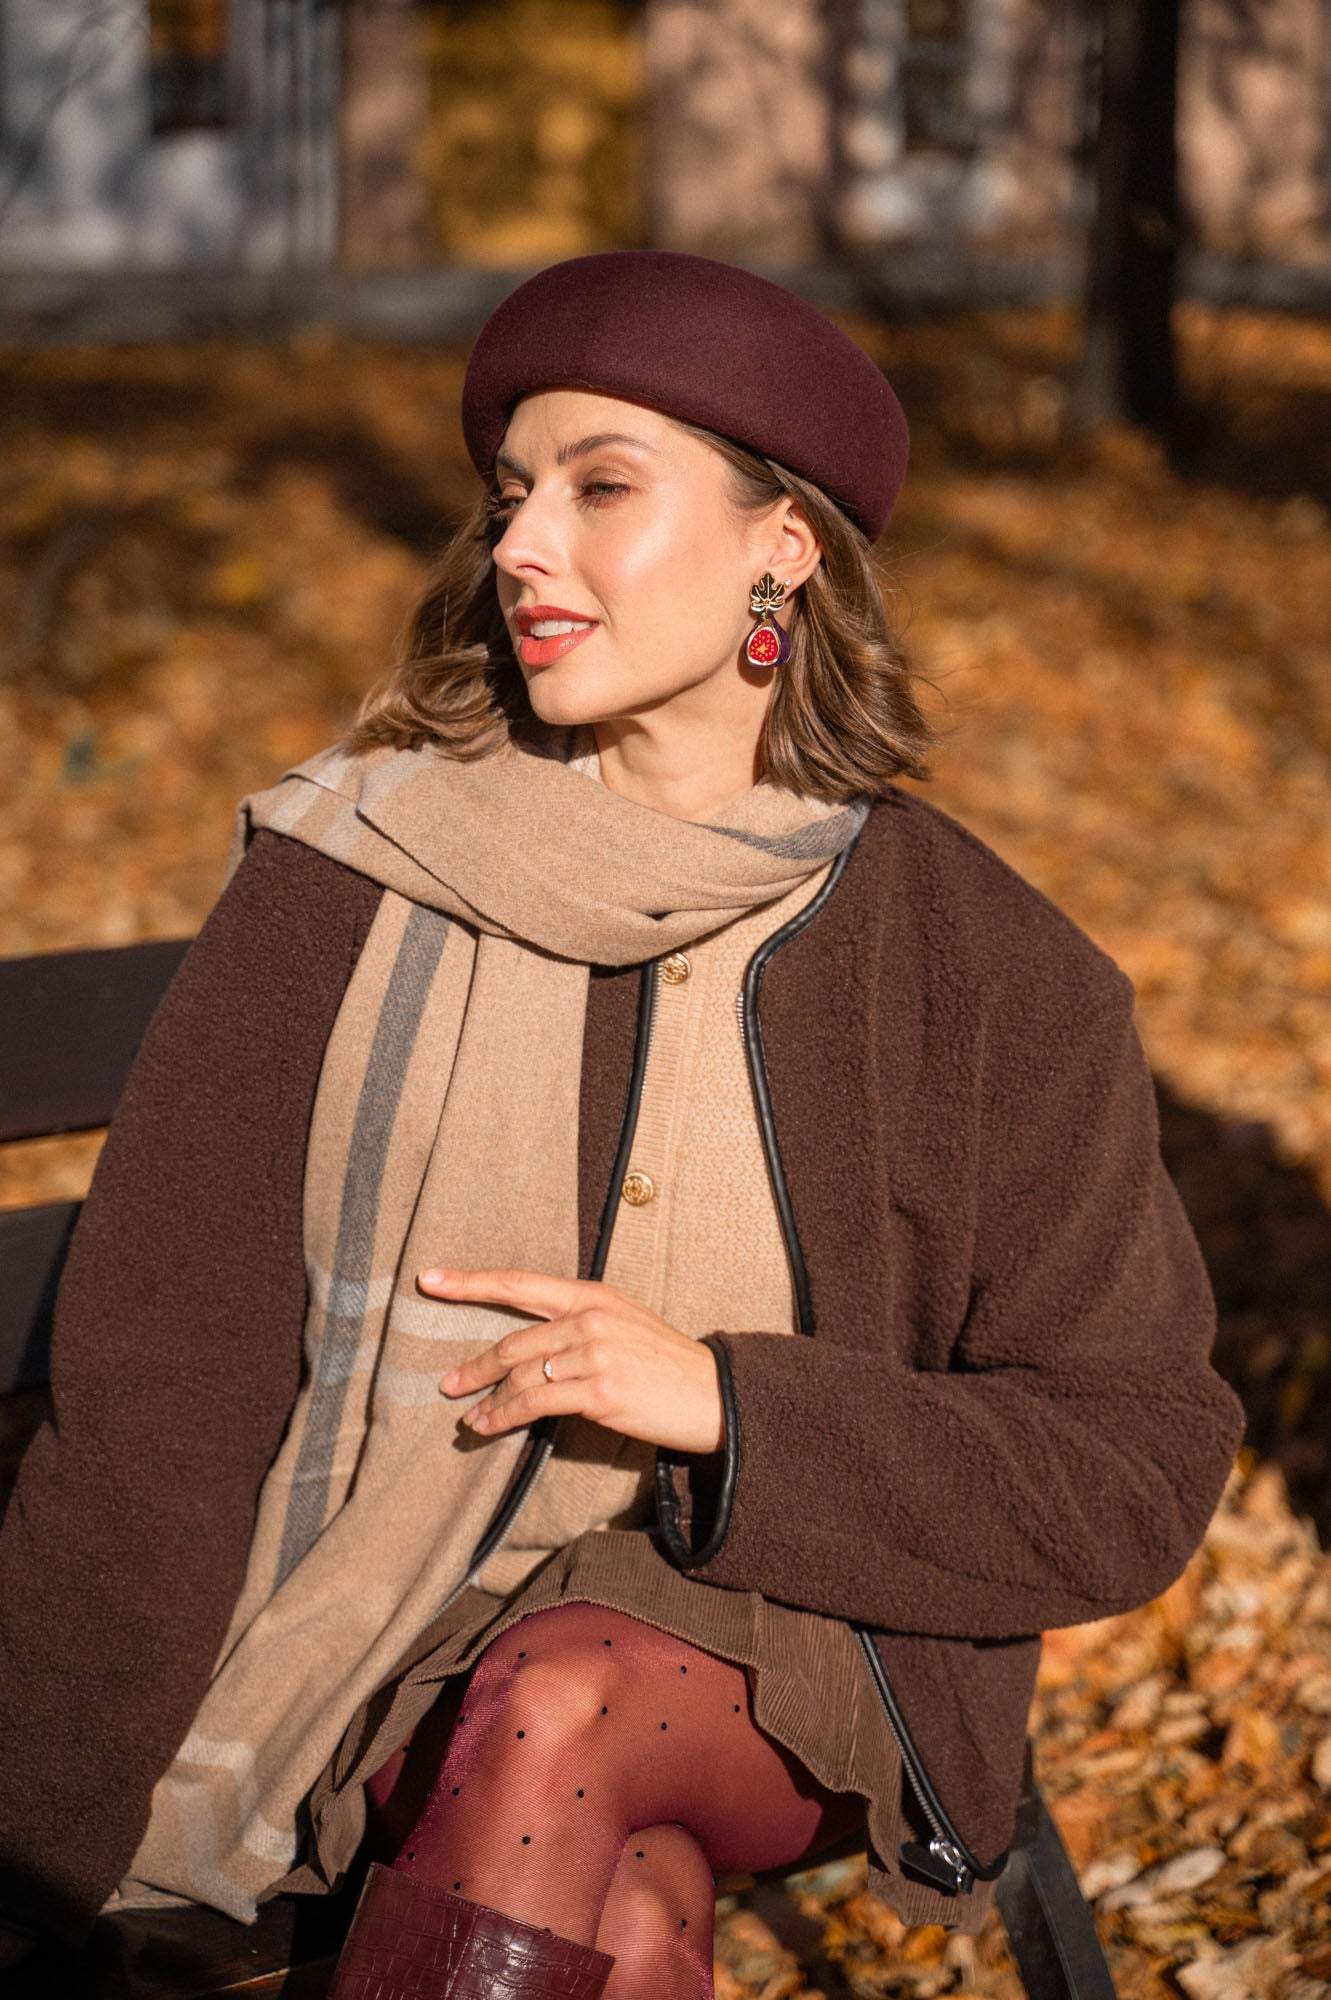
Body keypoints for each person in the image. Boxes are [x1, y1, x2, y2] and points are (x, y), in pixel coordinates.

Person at [0, 251, 1244, 2000]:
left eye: (600, 488)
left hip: (803, 1620)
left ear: (780, 548)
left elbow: (1131, 1461)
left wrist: (732, 1408)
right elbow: (164, 1377)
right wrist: (50, 1833)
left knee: (559, 1707)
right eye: (513, 495)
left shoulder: (989, 976)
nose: (519, 545)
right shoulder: (348, 884)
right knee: (625, 1894)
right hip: (372, 1613)